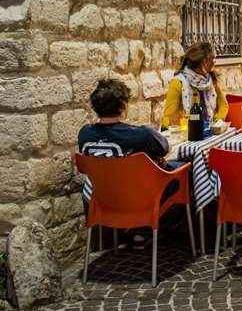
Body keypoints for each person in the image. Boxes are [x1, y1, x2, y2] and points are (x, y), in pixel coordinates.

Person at [78, 78, 176, 250]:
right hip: (142, 198)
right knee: (185, 170)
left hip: (105, 198)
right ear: (124, 106)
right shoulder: (142, 134)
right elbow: (166, 147)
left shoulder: (85, 134)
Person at [162, 41, 228, 129]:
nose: (215, 61)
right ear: (205, 61)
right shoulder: (178, 83)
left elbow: (223, 103)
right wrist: (172, 121)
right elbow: (165, 119)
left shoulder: (210, 80)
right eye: (213, 58)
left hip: (210, 129)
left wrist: (218, 120)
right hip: (188, 131)